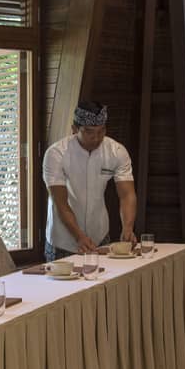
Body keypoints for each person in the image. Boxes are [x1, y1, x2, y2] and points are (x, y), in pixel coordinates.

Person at [43, 100, 137, 261]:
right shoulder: (56, 154)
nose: (96, 138)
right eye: (89, 132)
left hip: (100, 236)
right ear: (74, 129)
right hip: (63, 241)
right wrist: (79, 236)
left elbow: (127, 195)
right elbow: (60, 203)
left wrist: (128, 227)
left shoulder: (116, 151)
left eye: (101, 131)